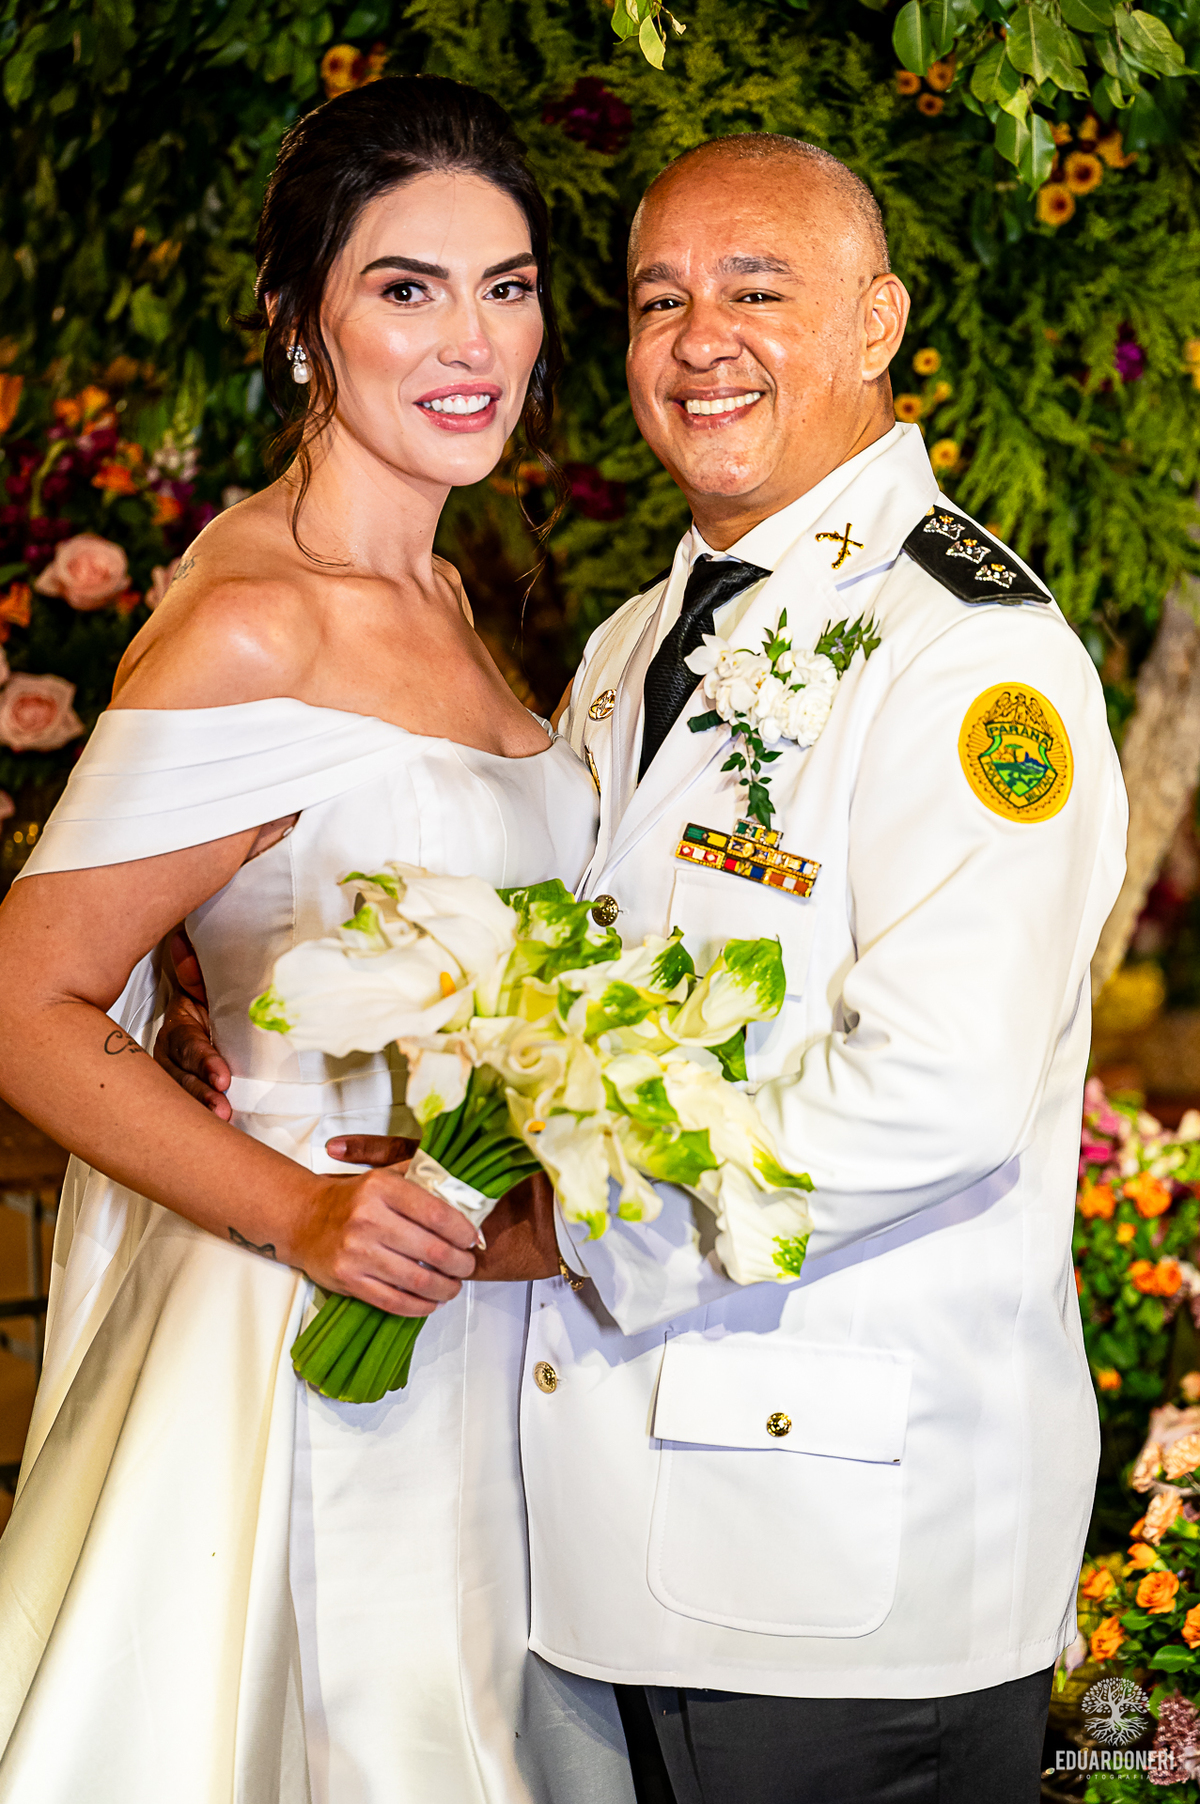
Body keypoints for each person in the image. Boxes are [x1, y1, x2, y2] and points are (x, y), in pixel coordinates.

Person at [154, 135, 1128, 1801]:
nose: (700, 340)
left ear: (879, 321)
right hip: (612, 1551)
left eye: (759, 289)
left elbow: (939, 1092)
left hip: (839, 1560)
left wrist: (564, 1228)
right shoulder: (632, 643)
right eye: (658, 299)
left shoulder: (970, 657)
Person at [0, 76, 633, 1804]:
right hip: (306, 1322)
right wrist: (301, 1209)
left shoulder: (452, 599)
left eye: (507, 286)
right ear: (300, 323)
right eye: (406, 287)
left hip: (482, 1321)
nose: (472, 340)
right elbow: (26, 997)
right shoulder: (255, 623)